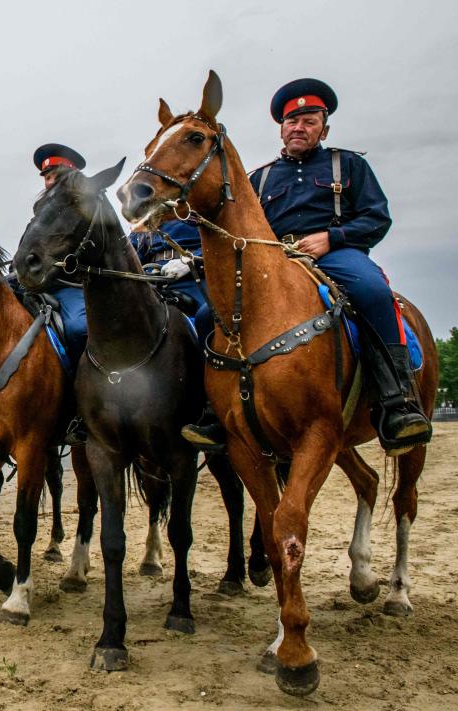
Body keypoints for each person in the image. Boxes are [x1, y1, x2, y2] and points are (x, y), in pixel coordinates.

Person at [182, 77, 431, 456]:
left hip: (335, 255)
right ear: (281, 129)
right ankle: (214, 411)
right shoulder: (259, 178)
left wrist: (333, 239)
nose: (299, 127)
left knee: (373, 292)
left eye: (309, 120)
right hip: (272, 262)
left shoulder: (347, 164)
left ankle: (396, 402)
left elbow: (376, 218)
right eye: (292, 121)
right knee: (206, 316)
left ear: (323, 128)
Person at [31, 143, 89, 367]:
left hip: (71, 285)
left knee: (77, 329)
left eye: (55, 176)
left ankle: (80, 379)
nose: (49, 182)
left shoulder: (86, 209)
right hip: (36, 286)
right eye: (46, 177)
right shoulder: (39, 214)